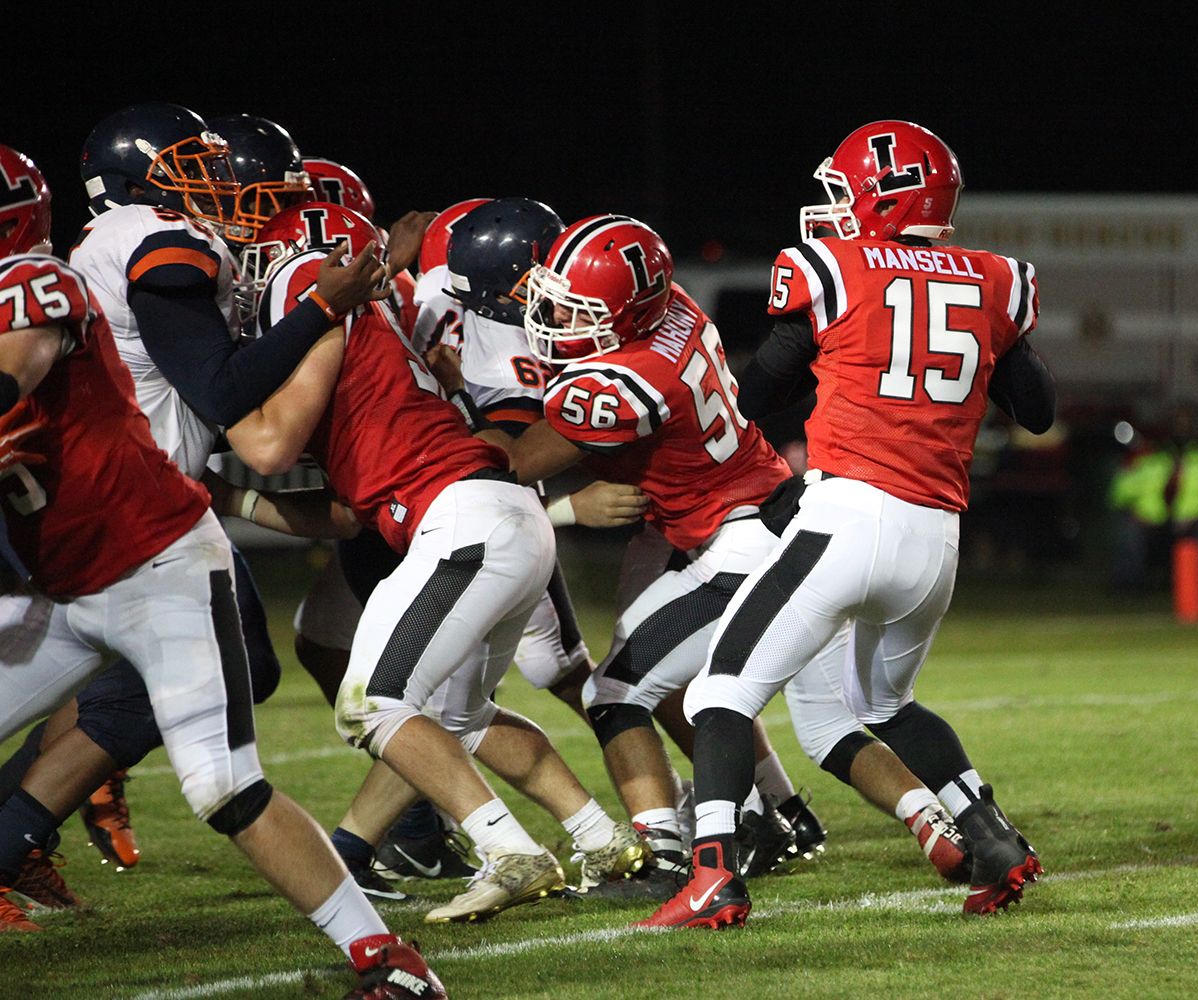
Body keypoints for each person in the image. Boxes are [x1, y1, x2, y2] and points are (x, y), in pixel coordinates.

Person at [0, 155, 444, 997]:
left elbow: (10, 372)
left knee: (224, 786)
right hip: (63, 586)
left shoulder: (33, 281)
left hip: (158, 566)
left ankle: (389, 963)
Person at [636, 121, 1054, 928]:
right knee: (884, 701)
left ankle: (712, 875)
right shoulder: (997, 279)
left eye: (841, 192)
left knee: (720, 691)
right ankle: (994, 841)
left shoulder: (837, 267)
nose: (829, 210)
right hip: (935, 542)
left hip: (848, 516)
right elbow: (1036, 411)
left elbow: (760, 390)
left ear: (886, 197)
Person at [492, 213, 977, 902]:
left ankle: (663, 853)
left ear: (624, 314)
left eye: (578, 310)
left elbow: (521, 459)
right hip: (786, 519)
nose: (559, 320)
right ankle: (939, 823)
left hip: (733, 546)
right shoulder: (678, 310)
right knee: (828, 720)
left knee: (616, 692)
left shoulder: (623, 383)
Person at [244, 201, 646, 923]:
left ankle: (507, 851)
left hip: (464, 524)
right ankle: (603, 838)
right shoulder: (389, 337)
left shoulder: (331, 333)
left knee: (372, 704)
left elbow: (267, 442)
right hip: (507, 517)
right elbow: (344, 514)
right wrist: (230, 505)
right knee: (463, 716)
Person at [1110, 402, 1198, 591]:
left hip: (1193, 521)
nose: (1180, 427)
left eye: (1185, 421)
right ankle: (1128, 587)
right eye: (1175, 421)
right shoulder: (1147, 452)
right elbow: (1119, 489)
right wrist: (1137, 510)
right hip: (1153, 522)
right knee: (1130, 528)